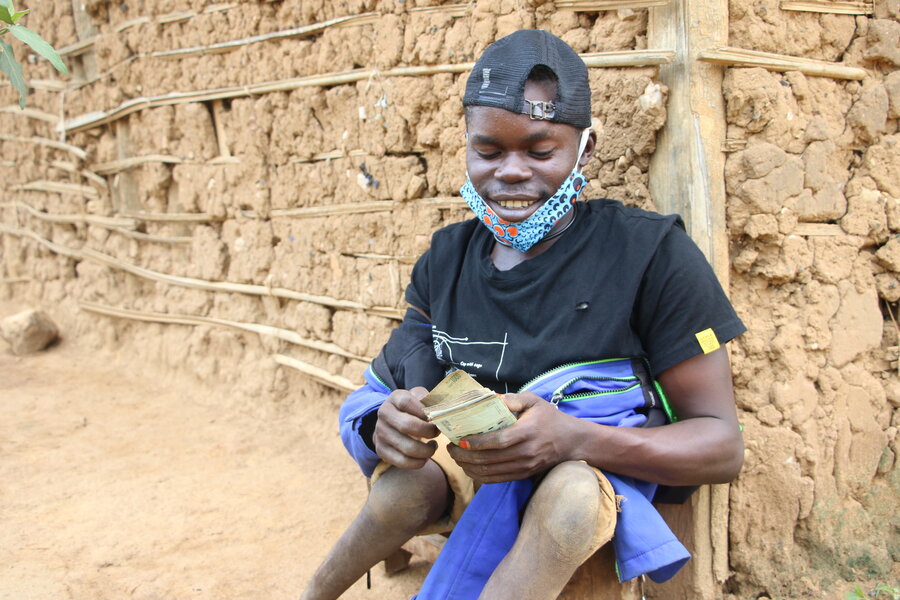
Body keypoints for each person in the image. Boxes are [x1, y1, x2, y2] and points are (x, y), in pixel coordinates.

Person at [301, 29, 745, 600]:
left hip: (587, 483)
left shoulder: (650, 256)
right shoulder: (446, 259)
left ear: (585, 149)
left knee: (570, 502)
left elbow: (720, 446)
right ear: (465, 144)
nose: (510, 172)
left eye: (540, 151)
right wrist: (387, 422)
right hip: (478, 478)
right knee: (399, 489)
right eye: (488, 151)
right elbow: (394, 382)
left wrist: (571, 440)